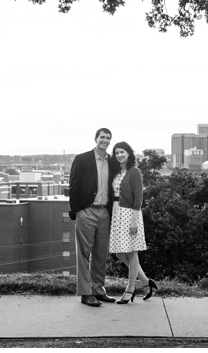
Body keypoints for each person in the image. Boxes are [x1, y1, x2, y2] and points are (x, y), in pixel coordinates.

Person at [68, 128, 119, 307]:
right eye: (102, 137)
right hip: (87, 211)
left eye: (108, 138)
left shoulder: (112, 162)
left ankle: (99, 290)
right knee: (83, 254)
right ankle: (85, 293)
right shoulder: (82, 159)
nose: (105, 140)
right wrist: (77, 210)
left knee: (100, 254)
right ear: (95, 139)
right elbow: (73, 186)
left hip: (105, 212)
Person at [108, 141, 158, 304]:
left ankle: (130, 289)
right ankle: (145, 281)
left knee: (131, 252)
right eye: (116, 153)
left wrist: (134, 221)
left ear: (129, 153)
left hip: (130, 214)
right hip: (117, 212)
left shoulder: (134, 171)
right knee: (119, 253)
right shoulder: (115, 172)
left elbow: (138, 198)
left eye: (122, 152)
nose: (119, 155)